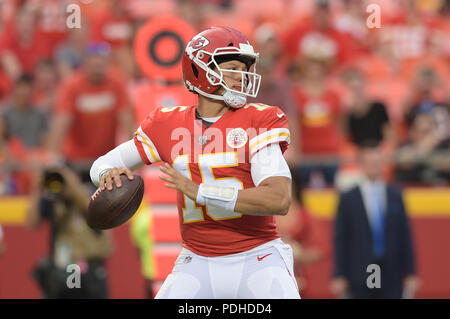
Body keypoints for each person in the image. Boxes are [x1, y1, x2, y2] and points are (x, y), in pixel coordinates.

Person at [90, 26, 300, 299]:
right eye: (233, 68)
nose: (243, 77)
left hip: (257, 255)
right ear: (200, 70)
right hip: (197, 259)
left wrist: (200, 192)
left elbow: (278, 199)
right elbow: (101, 164)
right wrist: (109, 174)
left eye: (245, 69)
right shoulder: (168, 123)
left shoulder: (259, 119)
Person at [331, 141, 419, 299]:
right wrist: (339, 273)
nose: (374, 166)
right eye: (370, 162)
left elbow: (404, 236)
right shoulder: (348, 198)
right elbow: (341, 238)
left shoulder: (395, 196)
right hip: (359, 271)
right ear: (362, 164)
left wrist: (411, 272)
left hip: (391, 271)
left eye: (377, 162)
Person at [48, 42, 135, 183]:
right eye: (94, 65)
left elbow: (127, 120)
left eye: (101, 65)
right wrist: (53, 157)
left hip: (105, 161)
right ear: (85, 65)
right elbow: (61, 123)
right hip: (75, 161)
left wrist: (132, 155)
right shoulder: (72, 86)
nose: (97, 69)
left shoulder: (116, 84)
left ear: (107, 64)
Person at [26, 165, 113, 298]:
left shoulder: (89, 192)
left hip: (90, 266)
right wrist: (37, 189)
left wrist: (71, 183)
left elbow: (89, 209)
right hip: (67, 268)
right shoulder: (53, 201)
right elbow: (32, 222)